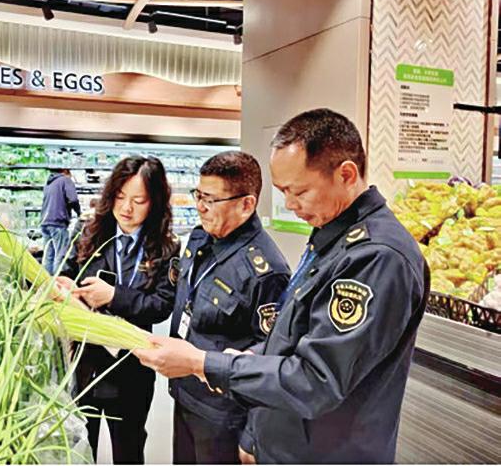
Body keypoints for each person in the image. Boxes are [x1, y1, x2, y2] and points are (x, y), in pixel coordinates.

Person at [134, 109, 431, 464]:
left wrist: (204, 363)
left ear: (346, 174)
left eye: (298, 191)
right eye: (283, 192)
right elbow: (296, 335)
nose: (289, 205)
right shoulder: (332, 237)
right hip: (288, 443)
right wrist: (253, 360)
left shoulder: (377, 257)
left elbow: (317, 379)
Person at [167, 151, 291, 464]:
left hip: (223, 415)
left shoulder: (266, 270)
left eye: (210, 199)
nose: (200, 206)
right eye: (198, 195)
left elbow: (271, 356)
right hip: (184, 392)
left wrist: (252, 434)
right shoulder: (201, 238)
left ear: (246, 204)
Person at [55, 156, 179, 465]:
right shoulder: (88, 234)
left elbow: (162, 305)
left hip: (132, 366)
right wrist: (64, 287)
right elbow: (67, 273)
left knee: (129, 448)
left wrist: (114, 296)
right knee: (81, 447)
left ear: (155, 203)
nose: (126, 208)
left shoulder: (166, 248)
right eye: (120, 197)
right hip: (86, 362)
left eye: (139, 201)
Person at [40, 168, 80, 275]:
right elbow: (73, 199)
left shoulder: (49, 183)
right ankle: (58, 280)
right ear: (66, 171)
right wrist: (79, 213)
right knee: (60, 254)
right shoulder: (65, 180)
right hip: (58, 222)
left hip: (45, 222)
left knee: (48, 255)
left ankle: (45, 281)